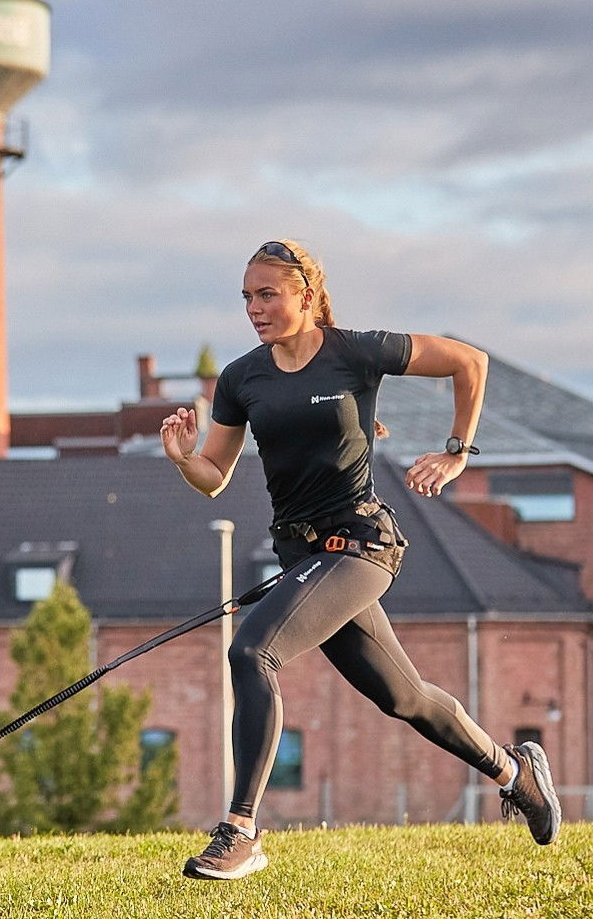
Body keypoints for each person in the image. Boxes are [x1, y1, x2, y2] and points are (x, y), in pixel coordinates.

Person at [160, 240, 559, 881]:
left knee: (251, 652)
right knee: (405, 698)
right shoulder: (240, 378)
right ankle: (516, 773)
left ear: (306, 295)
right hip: (302, 555)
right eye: (247, 297)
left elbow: (469, 361)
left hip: (362, 545)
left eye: (267, 295)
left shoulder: (357, 351)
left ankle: (240, 831)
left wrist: (458, 449)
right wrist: (184, 457)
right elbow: (214, 476)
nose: (254, 309)